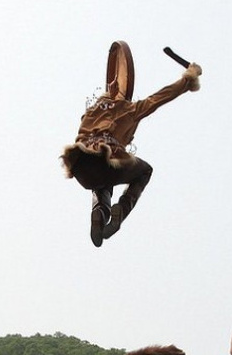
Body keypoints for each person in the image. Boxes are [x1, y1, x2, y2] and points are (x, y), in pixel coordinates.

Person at [61, 51, 202, 246]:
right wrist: (190, 77)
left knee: (101, 180)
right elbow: (161, 97)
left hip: (80, 168)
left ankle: (100, 211)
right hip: (106, 161)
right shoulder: (129, 109)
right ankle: (122, 209)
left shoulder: (90, 112)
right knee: (144, 171)